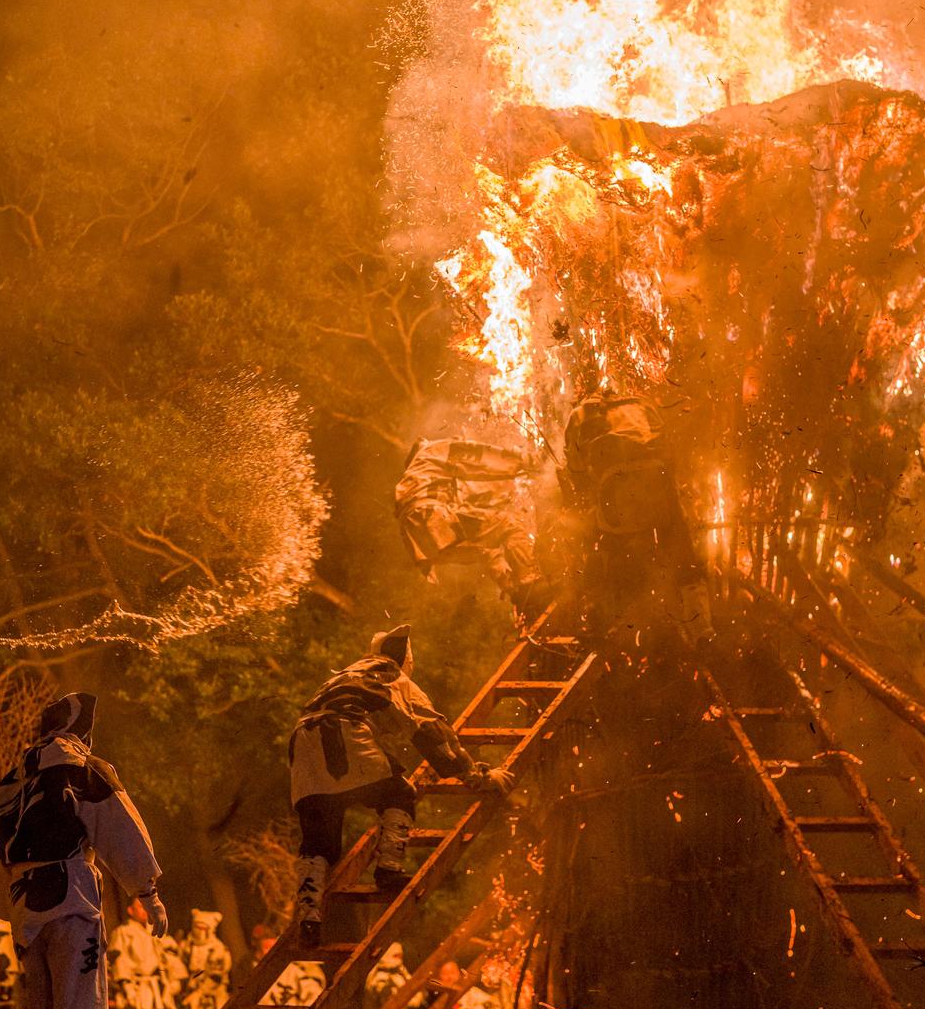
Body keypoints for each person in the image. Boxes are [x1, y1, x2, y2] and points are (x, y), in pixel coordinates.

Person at [0, 692, 167, 1009]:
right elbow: (121, 828)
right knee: (80, 1004)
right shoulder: (83, 768)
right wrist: (148, 893)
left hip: (24, 905)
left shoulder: (10, 781)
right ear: (81, 730)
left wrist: (6, 909)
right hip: (71, 897)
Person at [289, 624, 513, 946]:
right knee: (399, 793)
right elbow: (430, 730)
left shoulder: (346, 675)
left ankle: (308, 919)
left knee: (318, 843)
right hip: (342, 733)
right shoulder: (391, 675)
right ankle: (388, 869)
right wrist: (476, 776)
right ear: (405, 658)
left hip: (302, 745)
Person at [563, 390, 713, 643]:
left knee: (601, 551)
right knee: (683, 554)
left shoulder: (579, 415)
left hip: (615, 495)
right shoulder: (640, 403)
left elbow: (576, 472)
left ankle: (605, 623)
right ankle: (702, 629)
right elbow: (668, 447)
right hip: (659, 486)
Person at [395, 439, 549, 618]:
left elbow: (470, 504)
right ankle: (532, 584)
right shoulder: (430, 450)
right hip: (430, 515)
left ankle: (516, 592)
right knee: (509, 524)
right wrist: (524, 461)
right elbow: (475, 456)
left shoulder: (418, 478)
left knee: (486, 550)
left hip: (419, 543)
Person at [107, 897, 172, 1009]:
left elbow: (165, 960)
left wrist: (169, 985)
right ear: (131, 911)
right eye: (140, 907)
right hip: (132, 986)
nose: (144, 910)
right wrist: (126, 986)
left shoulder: (155, 931)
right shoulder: (123, 932)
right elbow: (118, 960)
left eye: (146, 907)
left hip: (154, 988)